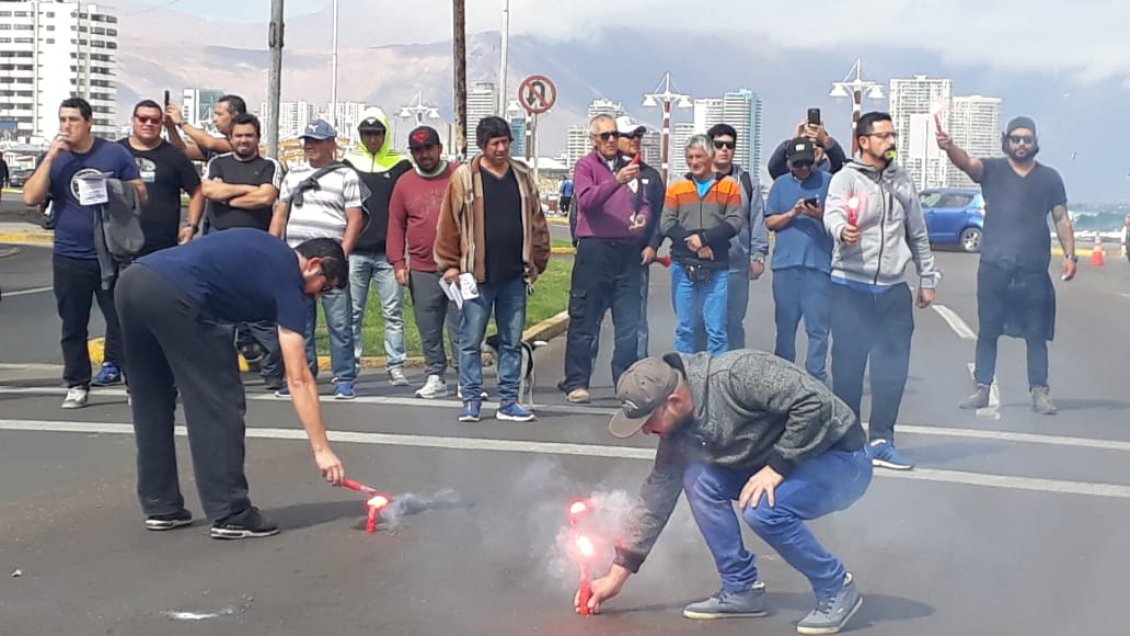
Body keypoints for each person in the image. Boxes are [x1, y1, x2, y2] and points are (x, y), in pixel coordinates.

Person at [580, 352, 871, 635]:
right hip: (787, 462)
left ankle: (836, 587)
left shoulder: (737, 374)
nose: (645, 432)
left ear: (674, 401)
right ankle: (740, 588)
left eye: (647, 422)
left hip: (842, 459)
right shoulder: (677, 432)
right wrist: (616, 576)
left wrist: (778, 466)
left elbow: (813, 402)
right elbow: (656, 496)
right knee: (699, 478)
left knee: (763, 509)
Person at [115, 230, 347, 539]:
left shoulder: (264, 248)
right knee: (218, 402)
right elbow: (298, 376)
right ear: (313, 264)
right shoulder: (289, 275)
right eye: (324, 287)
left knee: (151, 399)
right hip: (178, 294)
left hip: (133, 281)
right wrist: (322, 449)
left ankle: (161, 505)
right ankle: (230, 512)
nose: (317, 296)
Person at [824, 112, 940, 471]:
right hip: (849, 287)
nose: (891, 142)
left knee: (892, 368)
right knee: (847, 370)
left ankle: (882, 441)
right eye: (884, 136)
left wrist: (927, 277)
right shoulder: (846, 179)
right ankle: (847, 445)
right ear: (863, 141)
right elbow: (832, 214)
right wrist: (843, 231)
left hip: (892, 290)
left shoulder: (902, 180)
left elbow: (917, 232)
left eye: (894, 135)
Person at [939, 115, 1074, 415]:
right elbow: (967, 164)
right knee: (988, 330)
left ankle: (1040, 391)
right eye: (1016, 139)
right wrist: (949, 147)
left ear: (1035, 142)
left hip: (1033, 268)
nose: (1022, 144)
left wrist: (1070, 255)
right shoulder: (993, 169)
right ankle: (981, 389)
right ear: (1007, 141)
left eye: (1027, 139)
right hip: (994, 265)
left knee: (1037, 334)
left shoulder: (1050, 177)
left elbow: (1062, 218)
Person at [21, 97, 147, 409]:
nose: (67, 126)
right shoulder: (55, 157)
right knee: (72, 323)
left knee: (121, 321)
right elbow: (30, 197)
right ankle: (77, 383)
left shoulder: (114, 153)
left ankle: (135, 383)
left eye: (74, 120)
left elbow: (140, 194)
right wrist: (50, 158)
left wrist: (112, 187)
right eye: (63, 119)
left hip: (110, 253)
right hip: (70, 253)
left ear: (89, 122)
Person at [434, 116, 551, 423]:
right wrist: (449, 266)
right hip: (476, 275)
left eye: (505, 142)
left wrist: (538, 261)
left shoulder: (522, 176)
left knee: (512, 341)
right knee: (470, 340)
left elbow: (538, 222)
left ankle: (509, 400)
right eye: (495, 143)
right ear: (483, 145)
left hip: (514, 274)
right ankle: (471, 399)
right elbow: (448, 224)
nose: (501, 148)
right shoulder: (464, 178)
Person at [271, 120, 364, 400]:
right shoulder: (293, 175)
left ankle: (345, 378)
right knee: (300, 324)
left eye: (316, 140)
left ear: (331, 144)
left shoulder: (346, 176)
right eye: (306, 140)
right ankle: (303, 374)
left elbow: (355, 219)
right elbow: (281, 214)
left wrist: (341, 258)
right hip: (295, 262)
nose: (309, 145)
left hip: (330, 263)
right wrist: (272, 247)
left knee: (339, 323)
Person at [559, 114, 648, 404]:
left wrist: (642, 218)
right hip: (595, 249)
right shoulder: (586, 166)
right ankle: (577, 381)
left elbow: (643, 202)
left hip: (626, 251)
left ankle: (624, 382)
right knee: (585, 320)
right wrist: (615, 181)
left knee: (628, 324)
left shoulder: (631, 167)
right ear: (594, 140)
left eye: (614, 135)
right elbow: (587, 201)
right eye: (605, 136)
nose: (611, 140)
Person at [200, 113, 286, 390]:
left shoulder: (269, 165)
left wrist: (228, 194)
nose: (243, 140)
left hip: (254, 251)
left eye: (249, 135)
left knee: (261, 317)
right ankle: (222, 375)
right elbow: (209, 192)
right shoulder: (216, 162)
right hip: (218, 249)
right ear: (230, 138)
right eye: (238, 135)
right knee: (220, 319)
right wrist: (246, 190)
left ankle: (273, 373)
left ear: (258, 138)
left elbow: (266, 198)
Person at [387, 126, 462, 399]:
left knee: (461, 326)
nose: (424, 154)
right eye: (418, 150)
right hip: (420, 268)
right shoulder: (404, 183)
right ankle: (435, 375)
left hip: (458, 268)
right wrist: (398, 263)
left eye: (428, 148)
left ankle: (466, 378)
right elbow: (395, 225)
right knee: (428, 326)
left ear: (439, 148)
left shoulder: (459, 175)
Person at [343, 107, 414, 387]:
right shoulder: (348, 163)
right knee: (352, 312)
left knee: (393, 312)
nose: (372, 139)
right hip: (356, 252)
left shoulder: (401, 165)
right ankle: (351, 363)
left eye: (377, 133)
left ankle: (396, 364)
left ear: (386, 134)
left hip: (389, 253)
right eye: (367, 133)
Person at [660, 135, 742, 355]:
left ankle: (716, 381)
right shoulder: (677, 187)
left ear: (711, 157)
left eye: (699, 157)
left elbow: (735, 222)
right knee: (685, 328)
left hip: (716, 267)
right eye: (690, 157)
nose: (694, 162)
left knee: (716, 330)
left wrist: (705, 239)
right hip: (683, 265)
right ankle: (685, 376)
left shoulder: (729, 186)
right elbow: (666, 223)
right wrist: (695, 243)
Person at [765, 137, 834, 382]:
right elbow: (770, 221)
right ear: (789, 163)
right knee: (784, 328)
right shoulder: (780, 185)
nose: (804, 169)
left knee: (818, 329)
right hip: (785, 267)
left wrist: (818, 215)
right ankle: (784, 378)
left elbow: (840, 222)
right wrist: (792, 213)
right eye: (798, 164)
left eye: (807, 163)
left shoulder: (828, 182)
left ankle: (816, 378)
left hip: (818, 267)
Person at [698, 123, 769, 351]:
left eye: (729, 145)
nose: (724, 149)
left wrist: (758, 256)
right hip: (704, 266)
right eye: (719, 145)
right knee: (702, 324)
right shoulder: (696, 179)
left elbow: (757, 220)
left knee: (733, 324)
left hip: (736, 266)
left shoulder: (747, 182)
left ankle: (734, 375)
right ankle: (700, 376)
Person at [118, 99, 205, 256]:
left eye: (155, 120)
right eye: (143, 119)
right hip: (120, 242)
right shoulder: (115, 152)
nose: (149, 123)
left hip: (163, 245)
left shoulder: (175, 156)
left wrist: (191, 226)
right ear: (133, 120)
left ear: (162, 123)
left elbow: (198, 191)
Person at [164, 94, 244, 162]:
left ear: (235, 116)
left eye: (219, 115)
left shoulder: (244, 141)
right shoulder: (220, 144)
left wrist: (182, 122)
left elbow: (210, 143)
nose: (215, 119)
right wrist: (171, 127)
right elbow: (183, 150)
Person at [767, 117, 846, 180]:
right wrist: (794, 143)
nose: (814, 147)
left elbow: (841, 166)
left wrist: (826, 141)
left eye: (818, 144)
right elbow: (774, 167)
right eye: (809, 143)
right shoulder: (793, 169)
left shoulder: (829, 171)